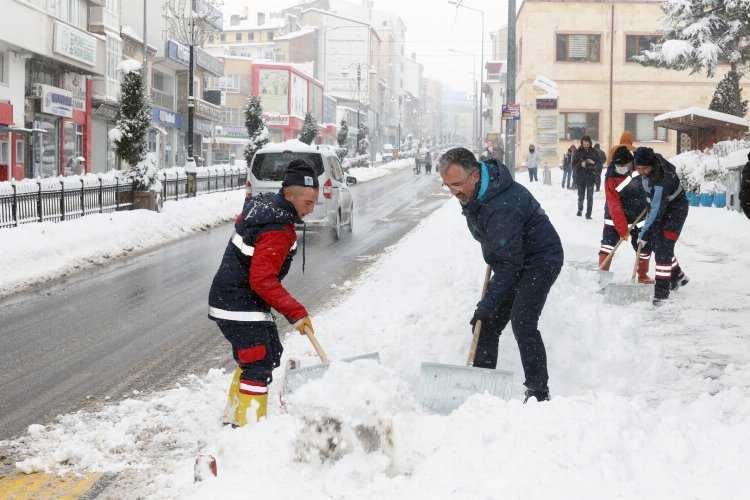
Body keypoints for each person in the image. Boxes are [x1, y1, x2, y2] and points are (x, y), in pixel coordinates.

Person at [437, 147, 564, 403]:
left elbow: (509, 264)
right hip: (512, 257)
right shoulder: (477, 193)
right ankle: (482, 387)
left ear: (474, 175)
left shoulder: (502, 205)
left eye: (458, 184)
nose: (454, 192)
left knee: (522, 320)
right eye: (448, 186)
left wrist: (486, 304)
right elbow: (503, 251)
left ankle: (539, 393)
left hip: (541, 258)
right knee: (487, 324)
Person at [208, 159, 320, 426]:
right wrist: (296, 312)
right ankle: (248, 430)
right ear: (289, 195)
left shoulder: (268, 209)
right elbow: (262, 279)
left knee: (260, 354)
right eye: (307, 202)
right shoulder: (277, 228)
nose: (312, 208)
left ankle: (234, 418)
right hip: (239, 303)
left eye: (315, 202)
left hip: (233, 300)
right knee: (259, 361)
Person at [633, 147, 690, 305]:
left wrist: (644, 234)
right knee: (658, 245)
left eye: (645, 168)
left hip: (676, 211)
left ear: (652, 165)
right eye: (639, 168)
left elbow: (656, 211)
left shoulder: (662, 181)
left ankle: (661, 294)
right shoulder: (651, 164)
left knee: (663, 250)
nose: (642, 171)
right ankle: (678, 276)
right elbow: (654, 204)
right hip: (662, 205)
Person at [598, 145, 654, 283]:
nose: (621, 169)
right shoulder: (611, 177)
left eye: (624, 165)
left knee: (644, 246)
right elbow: (614, 205)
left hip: (640, 215)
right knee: (608, 245)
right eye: (618, 166)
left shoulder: (639, 167)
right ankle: (602, 276)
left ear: (631, 163)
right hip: (614, 217)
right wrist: (622, 229)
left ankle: (642, 275)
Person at [573, 135, 601, 219]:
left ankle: (588, 214)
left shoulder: (594, 152)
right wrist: (580, 164)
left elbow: (599, 164)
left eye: (587, 143)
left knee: (590, 197)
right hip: (581, 178)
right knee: (581, 196)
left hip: (590, 177)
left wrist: (594, 164)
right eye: (584, 143)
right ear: (582, 143)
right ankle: (580, 209)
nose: (586, 145)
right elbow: (573, 164)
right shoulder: (578, 152)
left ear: (590, 143)